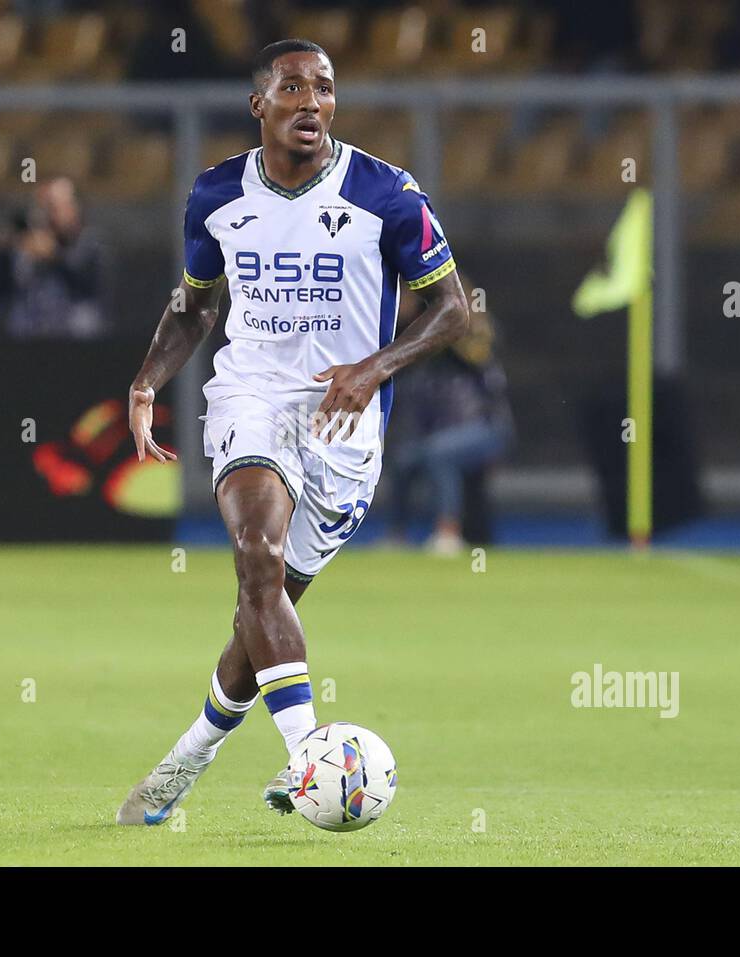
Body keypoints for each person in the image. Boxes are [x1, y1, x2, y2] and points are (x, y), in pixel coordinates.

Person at [117, 39, 468, 825]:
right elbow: (197, 305)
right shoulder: (215, 196)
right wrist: (147, 379)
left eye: (325, 88)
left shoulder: (387, 193)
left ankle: (187, 757)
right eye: (294, 87)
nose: (312, 102)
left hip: (346, 429)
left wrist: (376, 366)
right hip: (253, 397)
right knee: (258, 555)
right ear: (259, 105)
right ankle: (312, 758)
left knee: (263, 612)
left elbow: (453, 309)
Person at [386, 303, 513, 554]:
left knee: (439, 454)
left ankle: (447, 533)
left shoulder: (474, 353)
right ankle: (397, 536)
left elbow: (483, 356)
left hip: (486, 428)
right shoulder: (423, 364)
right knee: (402, 457)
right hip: (441, 434)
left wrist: (456, 329)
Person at [3, 177, 108, 339]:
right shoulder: (29, 245)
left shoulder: (89, 243)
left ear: (74, 207)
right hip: (35, 332)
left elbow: (87, 286)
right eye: (44, 207)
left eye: (55, 207)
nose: (50, 215)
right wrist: (14, 250)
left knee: (83, 317)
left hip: (76, 336)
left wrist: (54, 256)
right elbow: (0, 290)